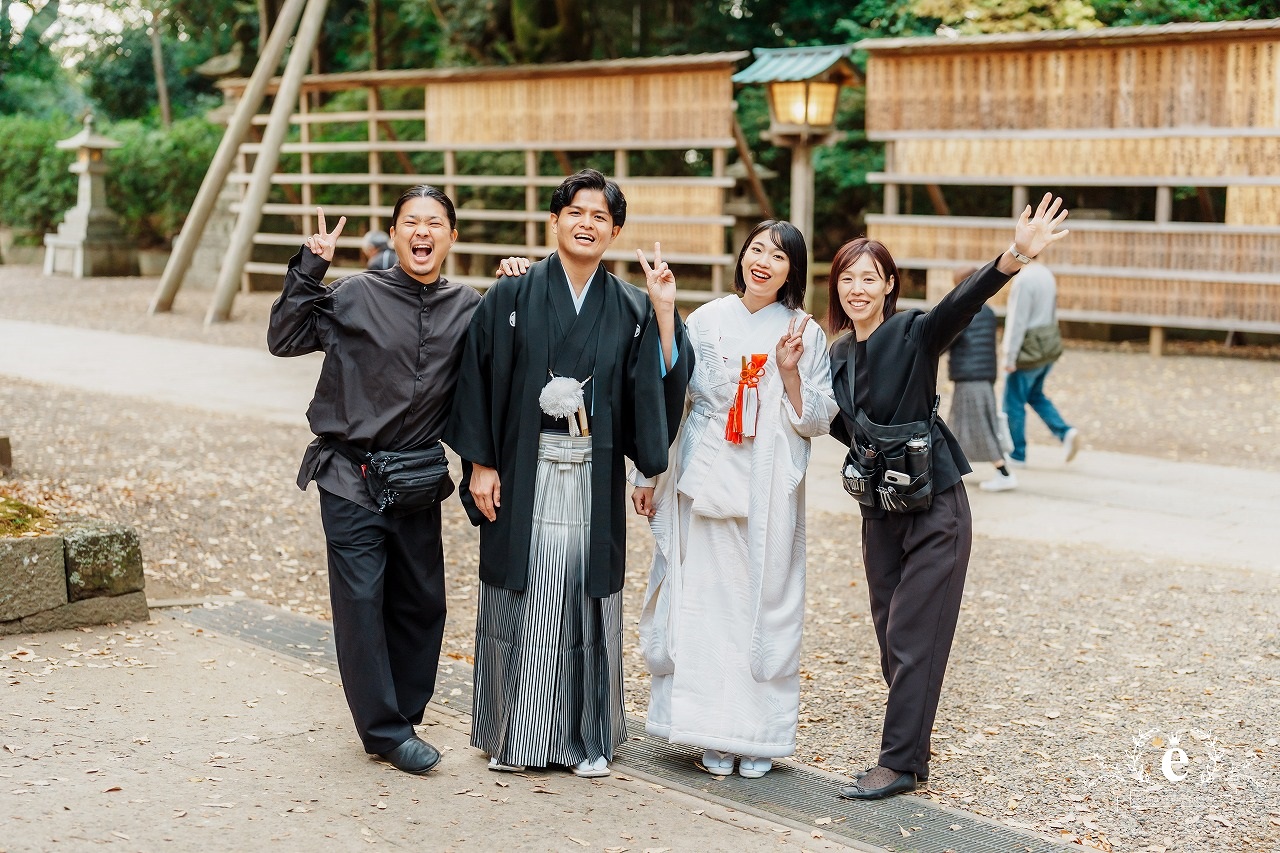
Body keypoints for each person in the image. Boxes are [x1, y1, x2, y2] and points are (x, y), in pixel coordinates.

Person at [444, 169, 692, 779]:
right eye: (575, 212)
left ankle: (587, 739)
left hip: (592, 475)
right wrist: (480, 463)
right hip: (524, 472)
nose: (587, 224)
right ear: (554, 222)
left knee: (585, 598)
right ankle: (514, 738)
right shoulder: (510, 295)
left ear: (615, 230)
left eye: (600, 217)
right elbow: (477, 376)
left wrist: (664, 312)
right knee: (522, 597)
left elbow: (656, 386)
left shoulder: (632, 306)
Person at [828, 193, 1069, 800]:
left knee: (913, 634)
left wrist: (1014, 255)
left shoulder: (913, 332)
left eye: (869, 278)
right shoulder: (837, 355)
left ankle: (899, 763)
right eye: (847, 279)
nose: (858, 289)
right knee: (891, 633)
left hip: (934, 505)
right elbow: (848, 429)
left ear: (888, 286)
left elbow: (962, 303)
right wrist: (783, 378)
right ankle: (913, 748)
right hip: (880, 510)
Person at [267, 187, 480, 776]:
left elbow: (498, 370)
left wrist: (517, 279)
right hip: (349, 475)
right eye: (411, 221)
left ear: (451, 237)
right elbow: (283, 339)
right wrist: (311, 265)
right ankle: (385, 731)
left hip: (415, 479)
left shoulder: (469, 305)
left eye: (434, 223)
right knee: (361, 603)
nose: (422, 232)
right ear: (394, 234)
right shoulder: (358, 292)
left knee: (422, 604)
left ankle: (403, 714)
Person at [631, 220, 837, 780]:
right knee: (702, 603)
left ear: (793, 269)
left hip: (765, 482)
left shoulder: (802, 330)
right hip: (702, 473)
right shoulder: (708, 318)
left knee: (760, 602)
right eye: (756, 250)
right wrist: (665, 309)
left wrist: (789, 371)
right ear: (742, 257)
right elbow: (672, 386)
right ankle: (707, 730)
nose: (763, 261)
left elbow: (818, 416)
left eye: (778, 255)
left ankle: (758, 735)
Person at [1001, 260, 1079, 466]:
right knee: (1035, 395)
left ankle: (1017, 453)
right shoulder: (1046, 274)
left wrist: (1009, 357)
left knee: (1013, 402)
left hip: (1028, 352)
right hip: (1047, 347)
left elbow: (1017, 321)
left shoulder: (1024, 280)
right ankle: (1066, 432)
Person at [944, 268, 1015, 492]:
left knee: (980, 426)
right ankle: (949, 470)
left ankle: (1003, 472)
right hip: (982, 375)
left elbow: (945, 338)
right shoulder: (988, 311)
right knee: (958, 424)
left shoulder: (965, 310)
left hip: (969, 375)